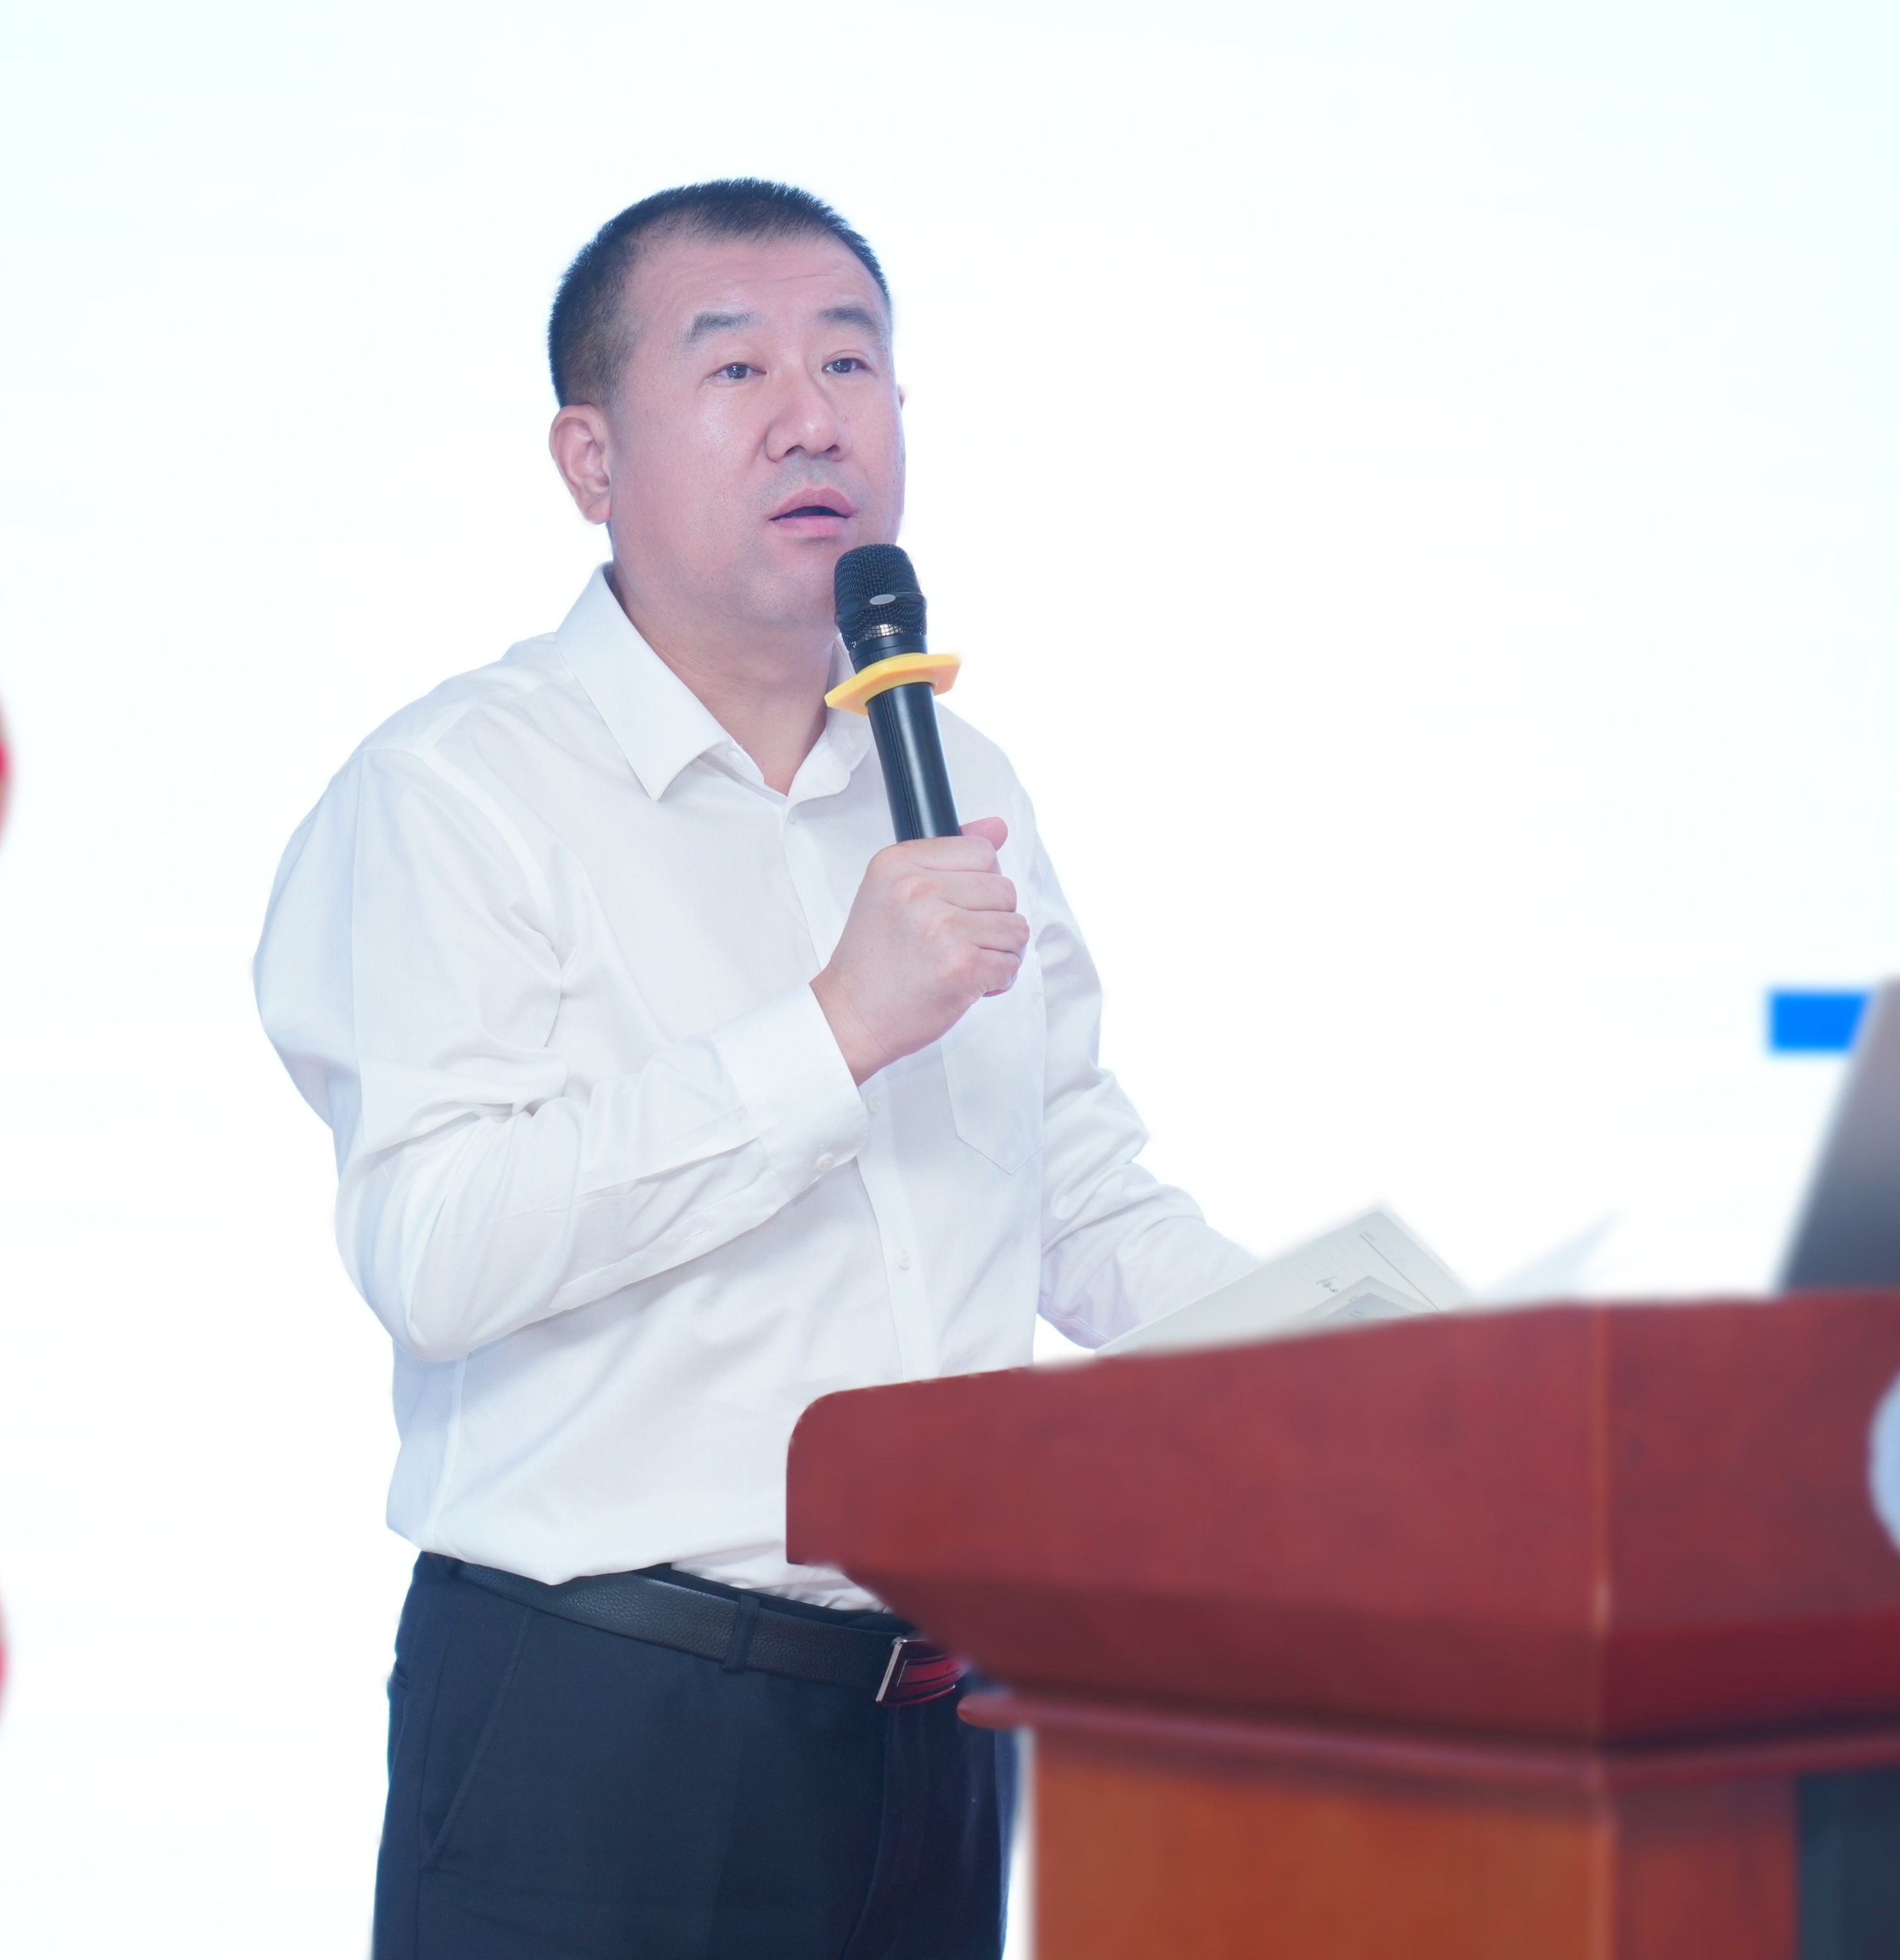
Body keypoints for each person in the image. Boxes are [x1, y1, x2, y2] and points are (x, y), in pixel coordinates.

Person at [255, 179, 1252, 1960]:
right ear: (590, 459)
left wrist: (1354, 1361)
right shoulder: (455, 792)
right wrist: (835, 1026)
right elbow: (438, 1250)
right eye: (738, 370)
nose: (815, 418)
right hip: (606, 1731)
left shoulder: (957, 777)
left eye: (852, 363)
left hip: (935, 1731)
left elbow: (1075, 1193)